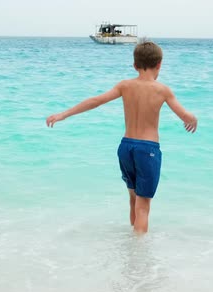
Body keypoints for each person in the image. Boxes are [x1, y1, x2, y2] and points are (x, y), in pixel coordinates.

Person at [46, 41, 197, 233]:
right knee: (143, 207)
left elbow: (96, 101)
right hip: (147, 149)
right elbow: (185, 116)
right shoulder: (162, 90)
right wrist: (193, 119)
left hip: (126, 148)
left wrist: (62, 115)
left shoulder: (125, 86)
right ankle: (138, 256)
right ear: (159, 64)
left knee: (133, 200)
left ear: (135, 65)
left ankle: (130, 250)